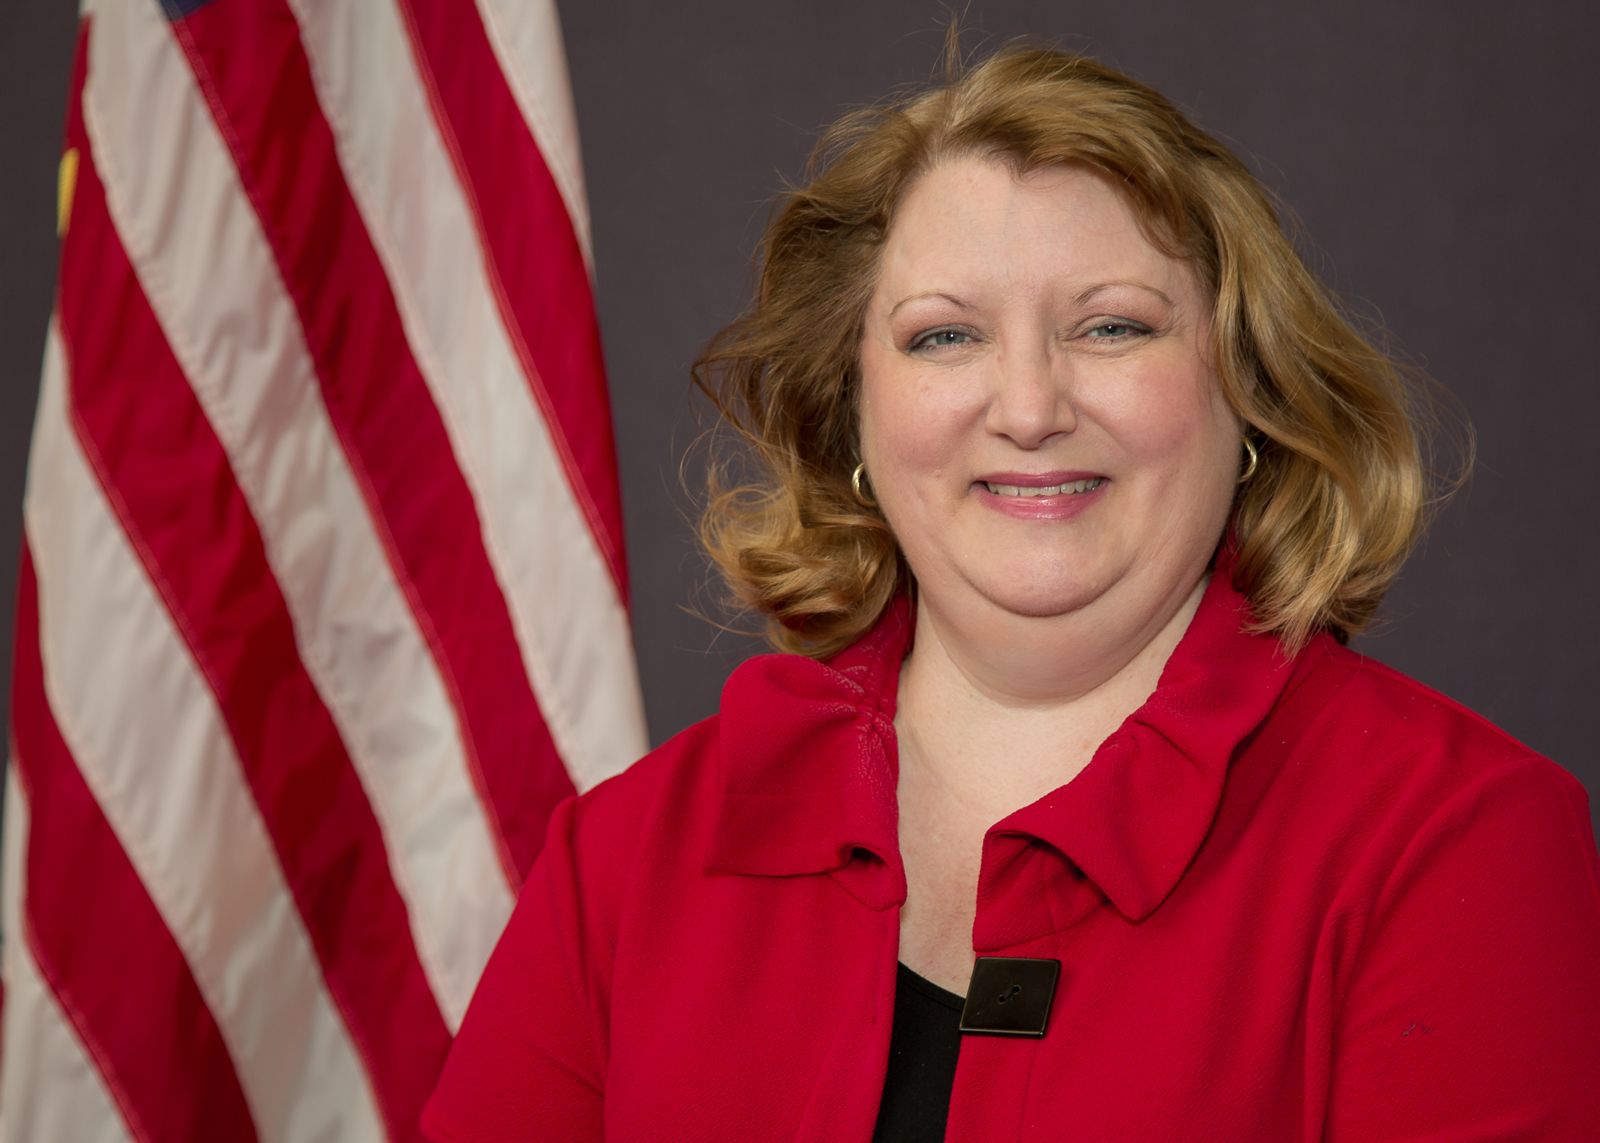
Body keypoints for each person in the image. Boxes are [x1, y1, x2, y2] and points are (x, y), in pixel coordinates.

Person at [422, 45, 1600, 1141]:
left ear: (1246, 393)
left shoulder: (1454, 849)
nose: (1029, 408)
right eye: (944, 339)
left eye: (1112, 326)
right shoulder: (626, 860)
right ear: (856, 417)